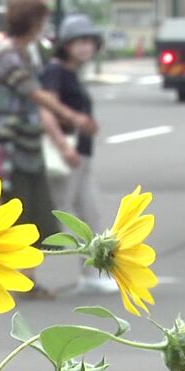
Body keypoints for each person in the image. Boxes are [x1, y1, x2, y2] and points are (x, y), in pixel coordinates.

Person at [0, 0, 98, 299]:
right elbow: (35, 94)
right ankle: (13, 279)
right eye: (41, 20)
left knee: (38, 215)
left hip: (27, 148)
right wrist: (73, 117)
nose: (44, 26)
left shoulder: (26, 55)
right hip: (7, 149)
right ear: (31, 22)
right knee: (15, 215)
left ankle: (27, 279)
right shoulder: (7, 57)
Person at [39, 15, 118, 295]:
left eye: (90, 42)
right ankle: (21, 269)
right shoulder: (54, 71)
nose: (86, 47)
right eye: (79, 41)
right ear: (65, 44)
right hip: (67, 154)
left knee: (91, 213)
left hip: (81, 155)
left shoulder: (71, 73)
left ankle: (93, 271)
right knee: (62, 216)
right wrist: (63, 145)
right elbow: (45, 111)